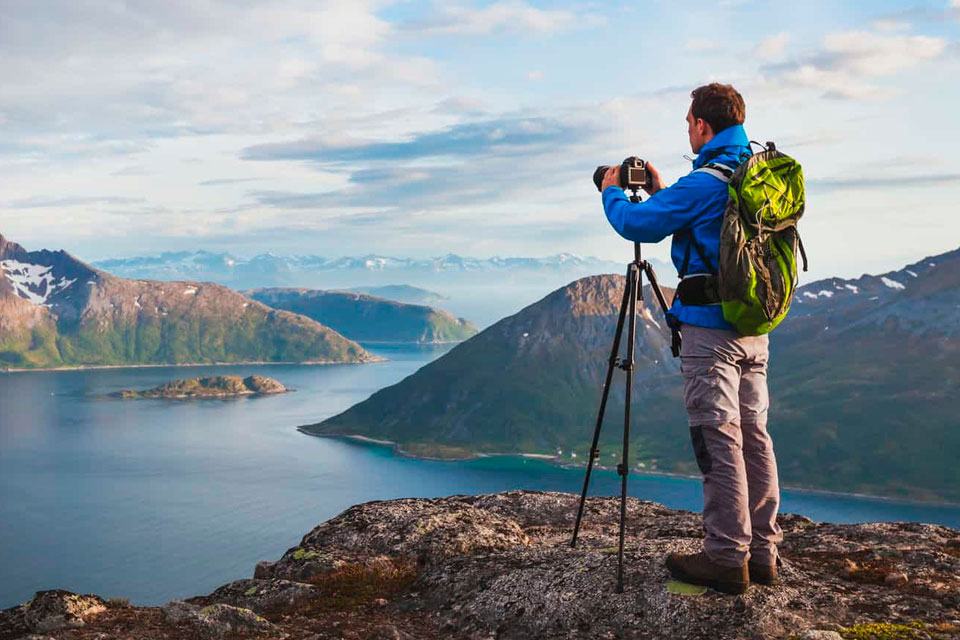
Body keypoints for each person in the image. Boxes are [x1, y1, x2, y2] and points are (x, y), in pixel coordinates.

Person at [600, 83, 782, 595]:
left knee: (717, 437)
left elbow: (636, 224)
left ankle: (726, 556)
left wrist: (613, 188)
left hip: (710, 331)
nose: (687, 130)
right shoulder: (757, 172)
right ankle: (763, 553)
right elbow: (705, 226)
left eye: (688, 123)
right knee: (753, 436)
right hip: (754, 328)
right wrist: (664, 189)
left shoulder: (705, 180)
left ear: (703, 125)